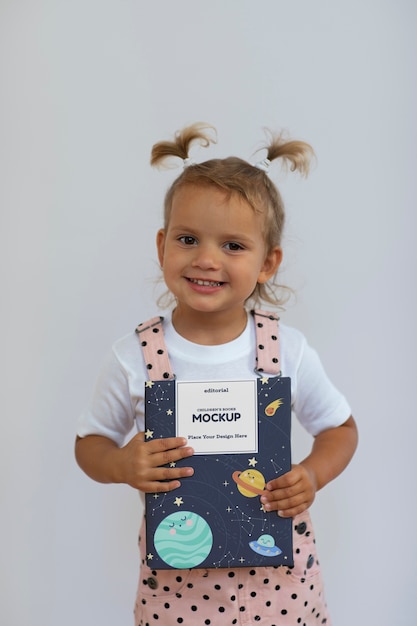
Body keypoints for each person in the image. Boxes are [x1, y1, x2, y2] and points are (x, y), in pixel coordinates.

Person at [75, 123, 358, 626]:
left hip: (280, 584)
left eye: (233, 245)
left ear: (268, 262)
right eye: (188, 239)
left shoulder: (285, 350)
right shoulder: (134, 356)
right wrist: (122, 464)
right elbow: (90, 443)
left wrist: (312, 474)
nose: (206, 259)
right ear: (162, 245)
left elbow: (340, 429)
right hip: (177, 588)